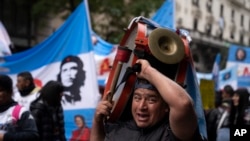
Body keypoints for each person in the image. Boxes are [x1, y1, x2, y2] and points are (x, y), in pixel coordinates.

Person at [90, 59, 203, 141]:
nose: (141, 106)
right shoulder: (118, 129)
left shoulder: (174, 133)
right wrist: (97, 121)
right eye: (137, 98)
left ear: (166, 107)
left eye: (151, 100)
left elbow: (183, 103)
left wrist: (147, 71)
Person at [0, 74, 39, 141]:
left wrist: (5, 137)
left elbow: (33, 135)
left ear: (9, 92)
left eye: (0, 90)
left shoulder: (20, 112)